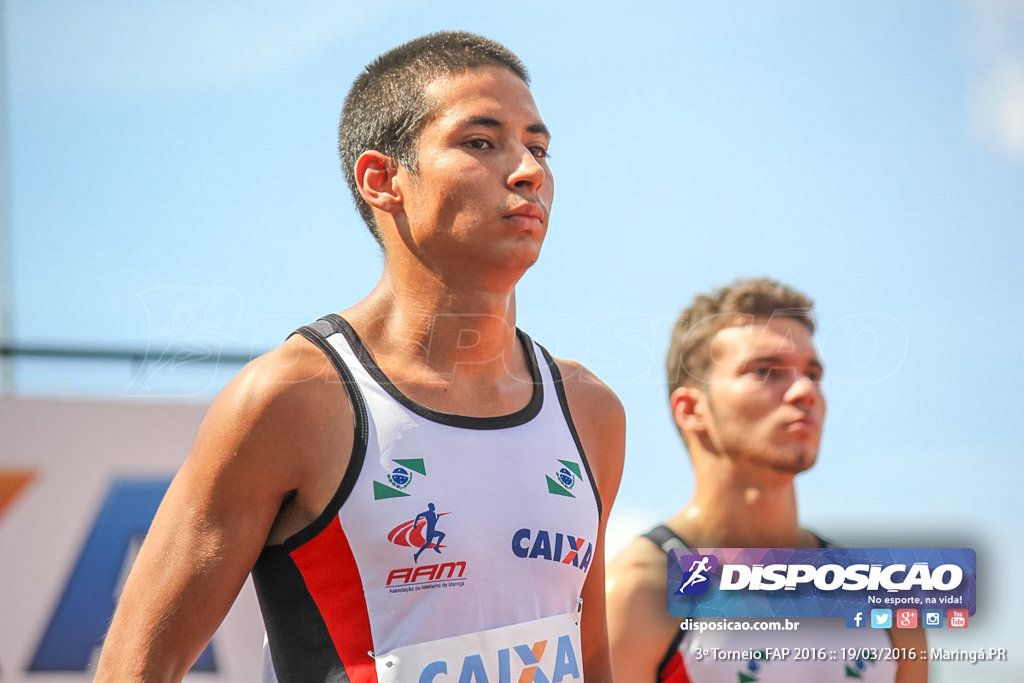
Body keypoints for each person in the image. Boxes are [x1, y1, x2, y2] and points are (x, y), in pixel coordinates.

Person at [95, 31, 624, 683]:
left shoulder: (590, 410)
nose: (528, 170)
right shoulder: (291, 398)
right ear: (382, 180)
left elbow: (593, 661)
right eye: (481, 142)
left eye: (537, 147)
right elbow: (134, 665)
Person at [605, 278, 926, 683]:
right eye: (766, 371)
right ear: (690, 409)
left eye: (813, 374)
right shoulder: (635, 593)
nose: (805, 391)